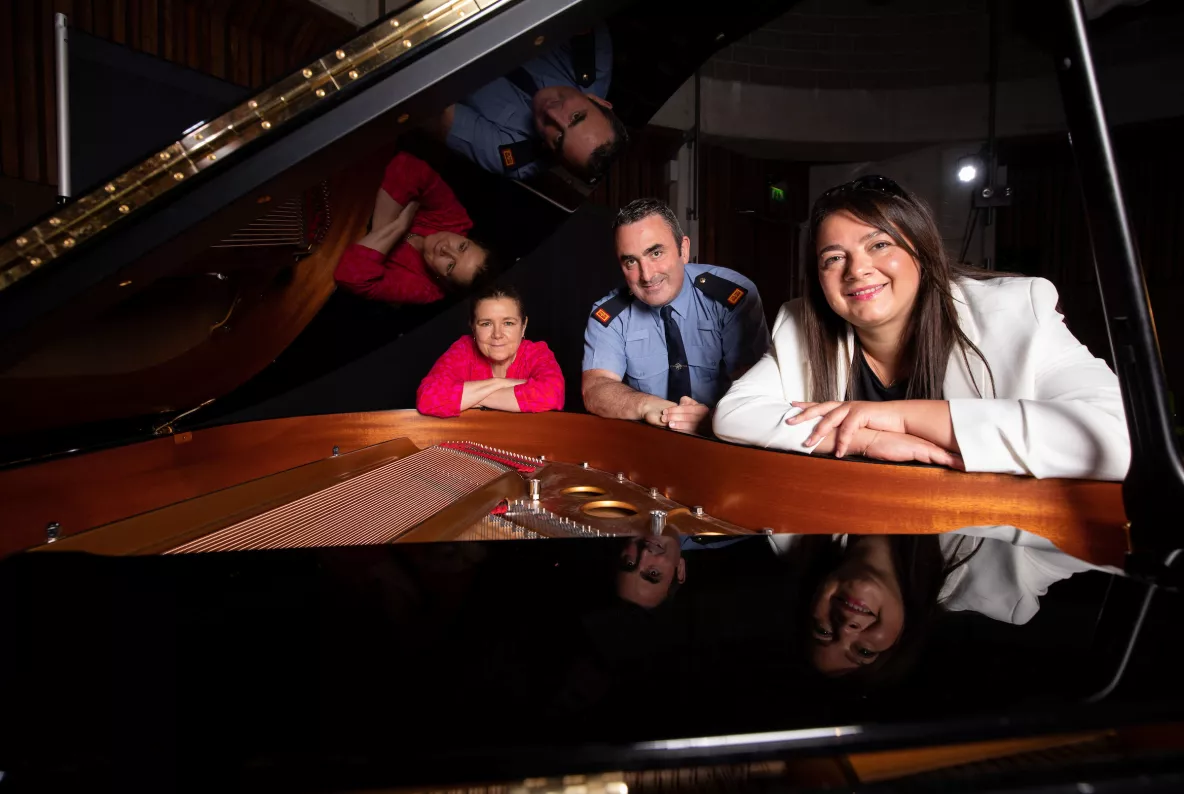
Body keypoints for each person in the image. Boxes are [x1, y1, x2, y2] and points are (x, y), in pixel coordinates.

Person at [713, 175, 1130, 479]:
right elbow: (735, 416)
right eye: (833, 258)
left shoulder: (1017, 309)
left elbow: (1121, 436)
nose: (857, 270)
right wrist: (867, 439)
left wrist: (902, 418)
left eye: (879, 245)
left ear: (921, 252)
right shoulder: (801, 322)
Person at [582, 198, 771, 436]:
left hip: (725, 441)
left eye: (656, 253)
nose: (647, 275)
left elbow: (758, 390)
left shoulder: (730, 296)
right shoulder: (611, 313)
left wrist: (714, 419)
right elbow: (595, 389)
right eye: (631, 261)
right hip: (647, 443)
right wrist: (650, 407)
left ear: (683, 250)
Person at [433, 25, 626, 182]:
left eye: (558, 139)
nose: (551, 113)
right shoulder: (592, 63)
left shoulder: (517, 156)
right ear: (597, 100)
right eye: (576, 116)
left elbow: (430, 111)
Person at [334, 151, 490, 304]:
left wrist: (398, 227)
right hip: (353, 192)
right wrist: (378, 240)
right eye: (462, 246)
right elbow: (407, 167)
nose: (446, 249)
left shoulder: (426, 289)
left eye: (450, 265)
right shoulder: (457, 221)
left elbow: (349, 276)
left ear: (443, 281)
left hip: (334, 245)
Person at [416, 284, 564, 417]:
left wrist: (470, 399)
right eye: (486, 324)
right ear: (473, 327)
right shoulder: (463, 350)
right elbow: (427, 399)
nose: (497, 335)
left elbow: (552, 394)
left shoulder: (537, 353)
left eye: (508, 323)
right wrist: (500, 383)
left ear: (523, 326)